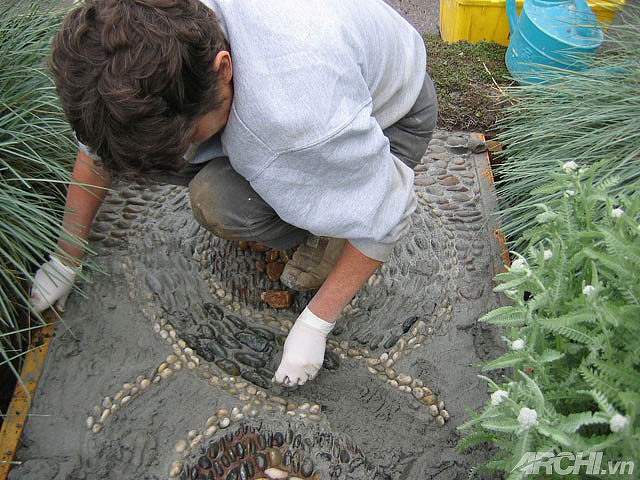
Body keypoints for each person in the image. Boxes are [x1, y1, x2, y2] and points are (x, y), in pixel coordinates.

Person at [30, 0, 437, 387]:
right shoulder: (138, 36)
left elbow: (390, 209)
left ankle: (331, 229)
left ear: (222, 69)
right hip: (317, 80)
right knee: (163, 153)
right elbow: (102, 149)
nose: (182, 154)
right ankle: (307, 196)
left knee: (221, 203)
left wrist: (316, 322)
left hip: (393, 115)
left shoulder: (297, 119)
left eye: (188, 138)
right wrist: (67, 255)